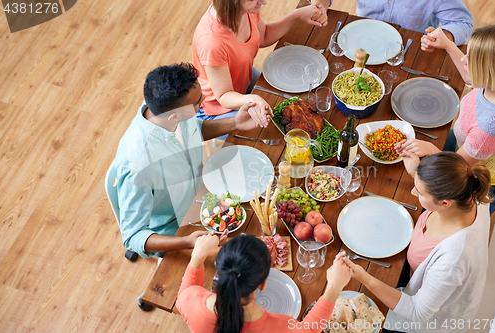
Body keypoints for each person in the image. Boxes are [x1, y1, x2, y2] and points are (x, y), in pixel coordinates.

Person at [113, 62, 272, 259]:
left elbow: (193, 130)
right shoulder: (138, 165)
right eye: (198, 102)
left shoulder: (166, 112)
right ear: (174, 117)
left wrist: (235, 123)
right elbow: (133, 236)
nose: (205, 99)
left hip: (206, 192)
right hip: (178, 226)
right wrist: (188, 241)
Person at [341, 152, 492, 333]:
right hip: (423, 277)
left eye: (419, 192)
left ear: (445, 203)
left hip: (434, 319)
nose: (413, 192)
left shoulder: (453, 258)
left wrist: (363, 277)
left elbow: (417, 311)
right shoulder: (470, 192)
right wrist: (417, 173)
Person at [396, 25, 495, 218]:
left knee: (439, 211)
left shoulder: (489, 128)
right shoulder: (491, 83)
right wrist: (448, 45)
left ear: (489, 70)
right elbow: (470, 76)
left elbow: (458, 169)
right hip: (465, 143)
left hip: (476, 172)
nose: (463, 59)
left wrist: (432, 153)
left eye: (470, 58)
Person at [176, 233, 352, 333]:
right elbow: (310, 330)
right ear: (262, 285)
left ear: (218, 269)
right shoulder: (281, 326)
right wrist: (334, 287)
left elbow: (186, 292)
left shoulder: (192, 302)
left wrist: (197, 255)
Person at [192, 0, 323, 121]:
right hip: (218, 108)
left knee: (290, 100)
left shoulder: (245, 10)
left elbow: (264, 35)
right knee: (275, 124)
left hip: (242, 81)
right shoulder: (211, 42)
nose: (264, 2)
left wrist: (296, 15)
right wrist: (253, 99)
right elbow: (224, 96)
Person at [309, 0, 473, 48]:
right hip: (360, 38)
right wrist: (320, 4)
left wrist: (444, 36)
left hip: (409, 47)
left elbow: (463, 22)